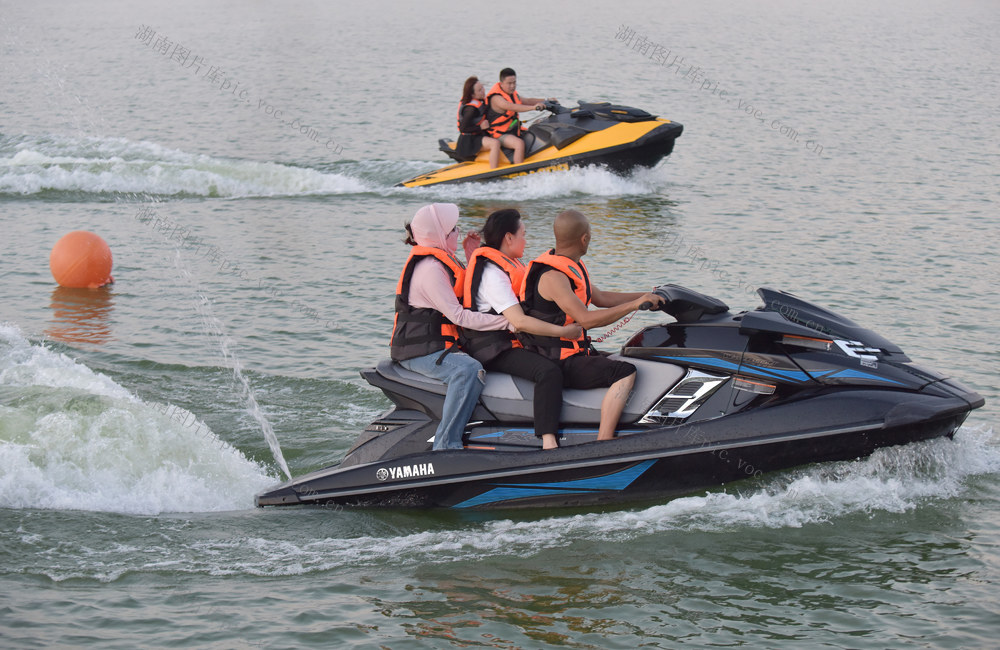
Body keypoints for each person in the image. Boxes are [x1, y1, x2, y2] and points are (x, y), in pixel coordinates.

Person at [519, 210, 664, 442]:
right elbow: (586, 319)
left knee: (626, 356)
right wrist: (634, 305)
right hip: (557, 359)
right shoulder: (553, 277)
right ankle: (604, 441)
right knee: (625, 371)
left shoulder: (572, 265)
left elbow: (602, 298)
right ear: (584, 238)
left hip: (574, 351)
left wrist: (650, 295)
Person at [390, 203, 511, 451]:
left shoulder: (442, 259)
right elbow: (460, 317)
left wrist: (471, 255)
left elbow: (466, 290)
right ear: (440, 235)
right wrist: (510, 323)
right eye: (453, 228)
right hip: (420, 352)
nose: (459, 231)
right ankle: (447, 444)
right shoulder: (430, 269)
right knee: (467, 370)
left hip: (439, 345)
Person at [462, 209, 583, 450]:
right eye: (523, 235)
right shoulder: (493, 274)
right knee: (547, 371)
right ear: (508, 238)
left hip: (510, 342)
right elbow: (520, 322)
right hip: (493, 349)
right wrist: (564, 332)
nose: (526, 241)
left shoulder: (507, 264)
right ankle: (548, 440)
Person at [485, 68, 553, 165]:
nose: (512, 86)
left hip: (511, 130)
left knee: (536, 129)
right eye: (509, 83)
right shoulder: (497, 98)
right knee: (519, 144)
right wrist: (534, 108)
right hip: (498, 134)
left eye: (514, 82)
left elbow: (528, 101)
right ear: (501, 83)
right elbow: (512, 106)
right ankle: (519, 173)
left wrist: (547, 100)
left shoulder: (512, 94)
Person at [455, 76, 503, 168]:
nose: (483, 91)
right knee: (495, 144)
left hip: (478, 135)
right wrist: (481, 127)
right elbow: (463, 129)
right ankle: (494, 171)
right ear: (472, 95)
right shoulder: (471, 109)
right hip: (468, 141)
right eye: (480, 90)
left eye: (483, 88)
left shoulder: (479, 101)